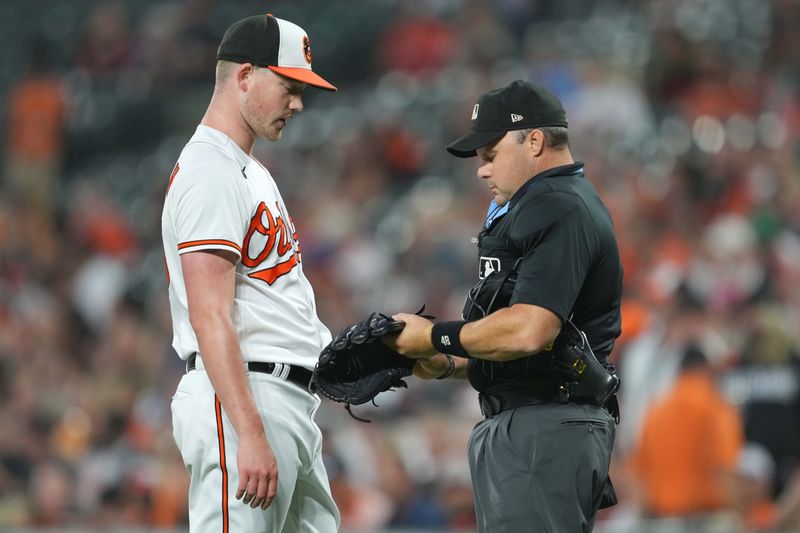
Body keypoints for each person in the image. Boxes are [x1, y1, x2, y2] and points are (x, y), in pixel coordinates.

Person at [387, 79, 623, 532]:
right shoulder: (546, 203)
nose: (480, 170)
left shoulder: (557, 203)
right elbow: (532, 347)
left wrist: (434, 335)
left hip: (543, 426)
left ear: (534, 140)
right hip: (536, 424)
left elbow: (531, 330)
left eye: (490, 155)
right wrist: (443, 362)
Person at [161, 14, 339, 532]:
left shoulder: (248, 169)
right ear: (244, 75)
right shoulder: (210, 171)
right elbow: (209, 313)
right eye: (288, 86)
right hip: (244, 400)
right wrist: (249, 430)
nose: (298, 103)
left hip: (285, 403)